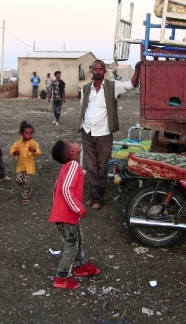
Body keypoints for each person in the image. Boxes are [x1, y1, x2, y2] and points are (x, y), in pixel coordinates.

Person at [79, 60, 141, 210]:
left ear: (104, 71)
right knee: (91, 166)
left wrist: (138, 69)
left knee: (102, 166)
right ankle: (95, 197)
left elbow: (131, 85)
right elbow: (84, 108)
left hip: (104, 132)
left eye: (101, 69)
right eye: (95, 69)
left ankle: (97, 198)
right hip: (87, 130)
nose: (98, 71)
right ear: (91, 71)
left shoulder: (113, 86)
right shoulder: (85, 89)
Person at [49, 139, 101, 290]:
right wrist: (79, 208)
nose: (75, 142)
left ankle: (80, 266)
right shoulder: (73, 165)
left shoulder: (67, 166)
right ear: (71, 152)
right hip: (66, 215)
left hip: (66, 215)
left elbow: (56, 188)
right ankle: (61, 277)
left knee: (78, 238)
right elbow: (65, 189)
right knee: (71, 245)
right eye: (71, 142)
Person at [9, 121, 42, 205]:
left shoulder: (34, 144)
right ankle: (27, 189)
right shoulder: (17, 143)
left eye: (31, 133)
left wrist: (34, 150)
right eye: (27, 133)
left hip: (29, 168)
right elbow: (11, 151)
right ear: (21, 134)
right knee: (18, 180)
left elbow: (39, 153)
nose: (29, 135)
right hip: (20, 167)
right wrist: (14, 152)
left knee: (26, 181)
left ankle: (25, 196)